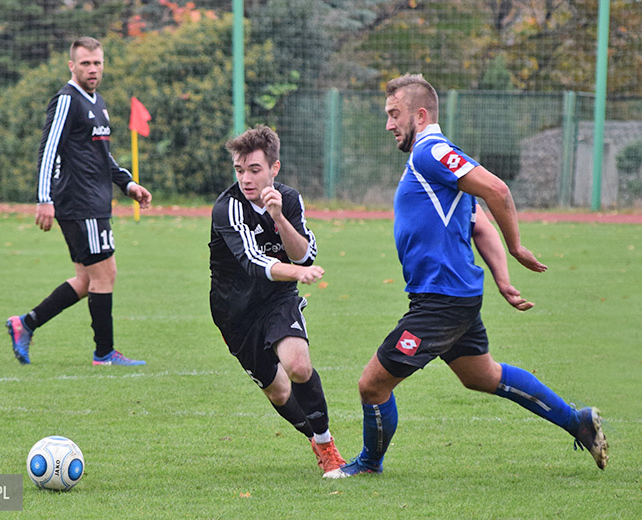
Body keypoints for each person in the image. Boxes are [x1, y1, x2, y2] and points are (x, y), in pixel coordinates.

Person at [325, 74, 608, 478]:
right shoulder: (437, 164)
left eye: (394, 114)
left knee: (372, 385)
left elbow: (498, 191)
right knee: (483, 376)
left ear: (420, 115)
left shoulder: (431, 152)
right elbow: (478, 221)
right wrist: (502, 277)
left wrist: (516, 246)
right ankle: (577, 421)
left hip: (440, 300)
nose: (389, 124)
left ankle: (369, 465)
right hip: (451, 295)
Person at [6, 36, 152, 367]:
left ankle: (25, 323)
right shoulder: (66, 100)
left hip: (94, 201)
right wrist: (44, 199)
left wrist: (127, 184)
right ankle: (104, 353)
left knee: (88, 280)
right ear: (72, 65)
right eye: (85, 63)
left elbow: (102, 155)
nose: (92, 69)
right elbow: (48, 149)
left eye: (97, 63)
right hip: (79, 202)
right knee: (105, 275)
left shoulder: (97, 101)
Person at [209, 125, 345, 477]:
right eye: (239, 170)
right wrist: (298, 273)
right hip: (234, 313)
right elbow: (253, 262)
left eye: (254, 170)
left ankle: (328, 448)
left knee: (298, 365)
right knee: (279, 392)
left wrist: (280, 218)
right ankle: (316, 440)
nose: (246, 179)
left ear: (274, 168)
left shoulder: (290, 199)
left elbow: (305, 255)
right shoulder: (227, 208)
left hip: (277, 299)